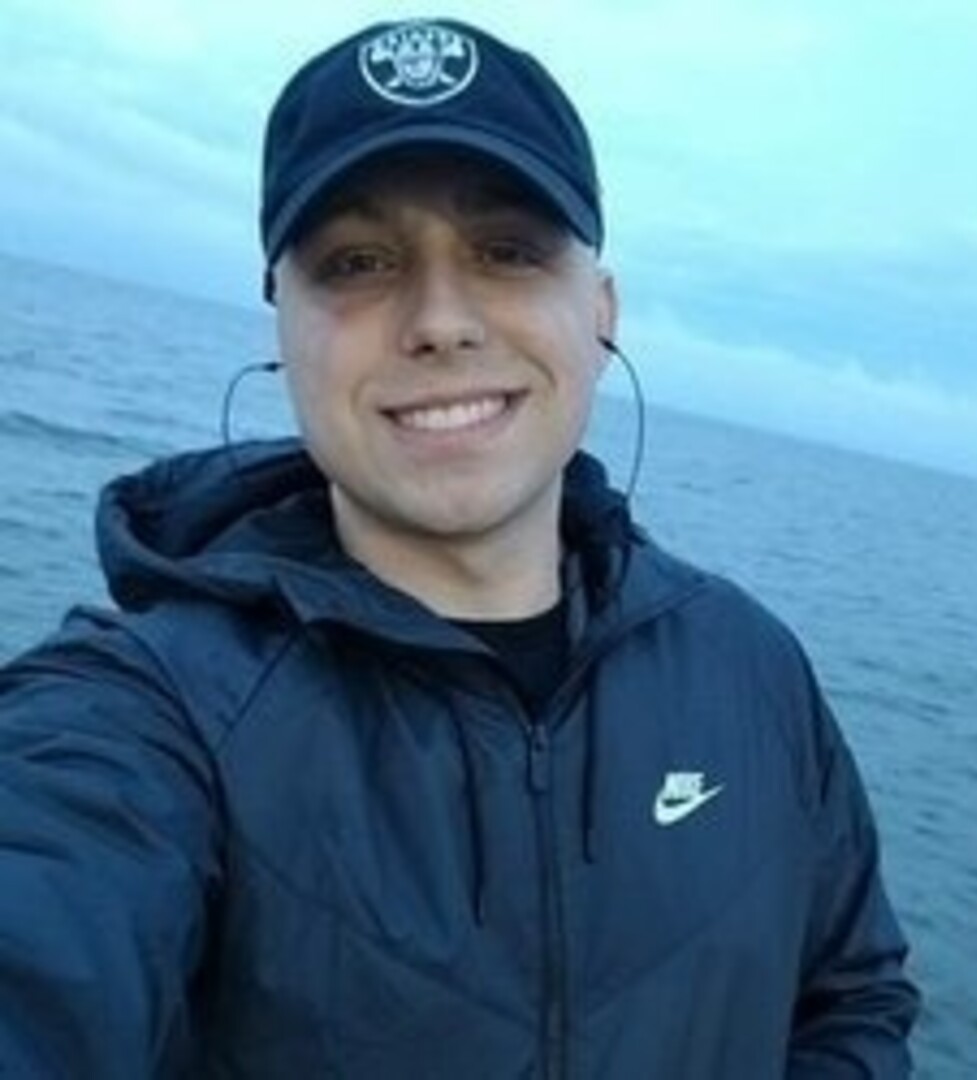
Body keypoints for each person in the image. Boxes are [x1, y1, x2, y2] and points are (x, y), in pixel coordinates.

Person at [0, 16, 918, 1078]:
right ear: (281, 328)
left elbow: (852, 998)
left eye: (508, 249)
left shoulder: (749, 669)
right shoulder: (151, 714)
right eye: (357, 261)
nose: (440, 319)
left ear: (602, 312)